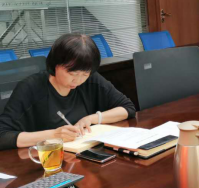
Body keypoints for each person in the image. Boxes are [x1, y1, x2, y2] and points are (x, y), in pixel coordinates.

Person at [0, 34, 136, 150]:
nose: (78, 80)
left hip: (82, 156)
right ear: (55, 64)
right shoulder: (31, 88)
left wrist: (91, 118)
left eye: (85, 74)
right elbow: (2, 136)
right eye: (72, 73)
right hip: (43, 160)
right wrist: (54, 135)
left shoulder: (91, 80)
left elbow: (128, 108)